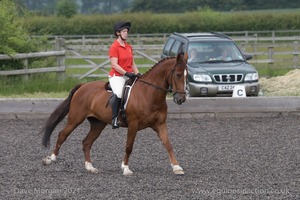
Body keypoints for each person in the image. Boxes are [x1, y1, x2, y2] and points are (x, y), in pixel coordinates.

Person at [108, 21, 140, 129]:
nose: (126, 33)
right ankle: (115, 119)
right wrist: (127, 73)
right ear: (118, 33)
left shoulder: (129, 47)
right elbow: (114, 65)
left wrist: (138, 74)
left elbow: (132, 63)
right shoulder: (114, 47)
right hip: (117, 76)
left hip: (129, 75)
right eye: (124, 31)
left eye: (127, 31)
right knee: (119, 93)